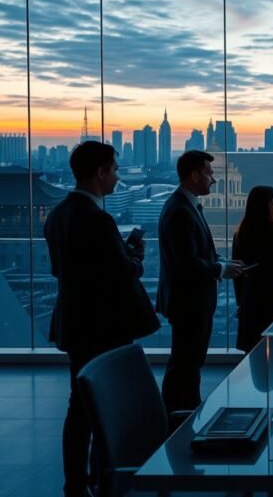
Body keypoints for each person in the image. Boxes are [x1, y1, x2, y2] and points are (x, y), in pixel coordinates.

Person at [44, 141, 159, 497]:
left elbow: (60, 268)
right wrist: (135, 258)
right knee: (105, 407)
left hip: (75, 323)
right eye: (115, 169)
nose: (118, 176)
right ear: (100, 172)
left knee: (79, 407)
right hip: (104, 325)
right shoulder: (98, 218)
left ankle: (77, 484)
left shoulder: (58, 214)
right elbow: (120, 273)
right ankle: (100, 477)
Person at [157, 150, 244, 416]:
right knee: (186, 364)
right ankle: (180, 418)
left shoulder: (184, 206)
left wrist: (221, 261)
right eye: (209, 173)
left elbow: (195, 254)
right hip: (189, 302)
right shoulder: (181, 211)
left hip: (191, 301)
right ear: (194, 175)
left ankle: (180, 415)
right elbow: (188, 264)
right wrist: (220, 269)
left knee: (187, 363)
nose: (214, 180)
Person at [232, 186, 273, 353]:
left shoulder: (240, 233)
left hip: (251, 301)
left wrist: (242, 303)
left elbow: (237, 272)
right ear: (267, 205)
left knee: (254, 357)